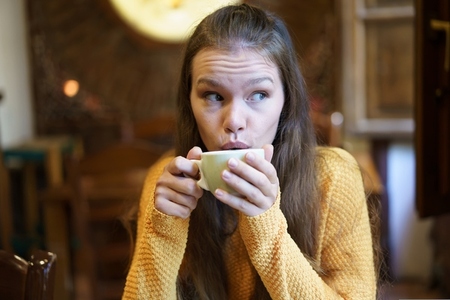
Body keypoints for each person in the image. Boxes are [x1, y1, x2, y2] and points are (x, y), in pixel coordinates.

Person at [122, 3, 378, 299]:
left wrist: (265, 224)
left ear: (287, 101)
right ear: (189, 102)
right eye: (213, 96)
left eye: (258, 94)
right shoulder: (167, 183)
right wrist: (163, 231)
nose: (233, 122)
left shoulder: (333, 178)